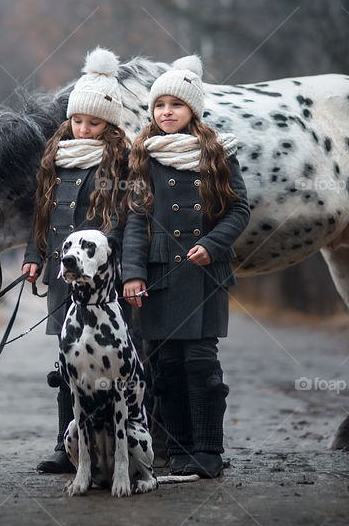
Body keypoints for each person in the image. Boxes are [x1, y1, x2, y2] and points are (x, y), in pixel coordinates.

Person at [121, 54, 249, 479]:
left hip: (204, 274)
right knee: (165, 366)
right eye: (160, 105)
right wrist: (133, 273)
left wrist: (213, 245)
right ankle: (177, 451)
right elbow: (136, 220)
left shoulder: (218, 152)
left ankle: (208, 450)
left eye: (176, 105)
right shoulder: (142, 156)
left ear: (193, 109)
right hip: (157, 276)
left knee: (200, 363)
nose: (166, 113)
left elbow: (239, 210)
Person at [22, 47, 131, 474]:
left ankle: (123, 441)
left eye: (94, 122)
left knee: (107, 360)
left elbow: (124, 220)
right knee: (67, 360)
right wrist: (34, 256)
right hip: (62, 277)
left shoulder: (120, 163)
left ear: (110, 125)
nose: (84, 129)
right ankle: (65, 446)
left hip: (102, 284)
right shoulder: (55, 159)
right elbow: (42, 215)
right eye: (78, 120)